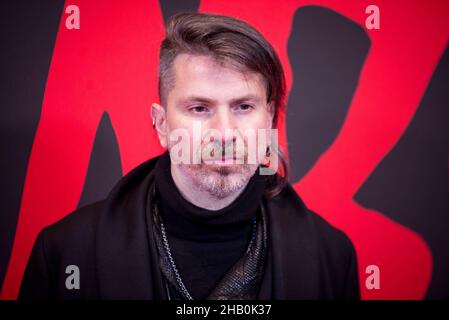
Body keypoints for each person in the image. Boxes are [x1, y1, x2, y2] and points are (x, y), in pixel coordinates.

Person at [19, 12, 360, 300]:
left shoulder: (331, 257)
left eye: (243, 106)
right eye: (199, 108)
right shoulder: (66, 253)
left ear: (269, 117)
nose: (224, 132)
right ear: (162, 124)